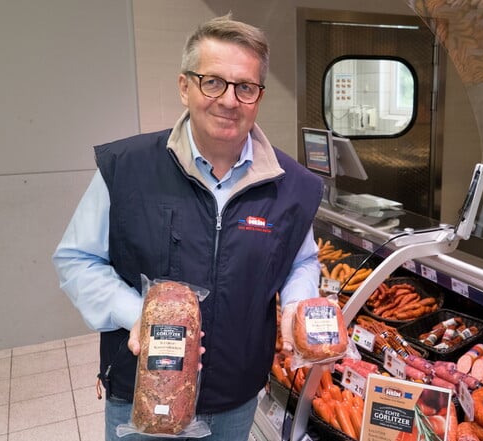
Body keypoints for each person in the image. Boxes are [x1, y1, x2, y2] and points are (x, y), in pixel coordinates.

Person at [53, 14, 323, 441]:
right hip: (144, 389)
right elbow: (77, 260)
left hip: (236, 398)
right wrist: (139, 316)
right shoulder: (126, 168)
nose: (229, 100)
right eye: (212, 82)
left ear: (258, 96)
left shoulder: (293, 186)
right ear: (184, 86)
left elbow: (302, 261)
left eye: (245, 87)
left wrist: (297, 304)